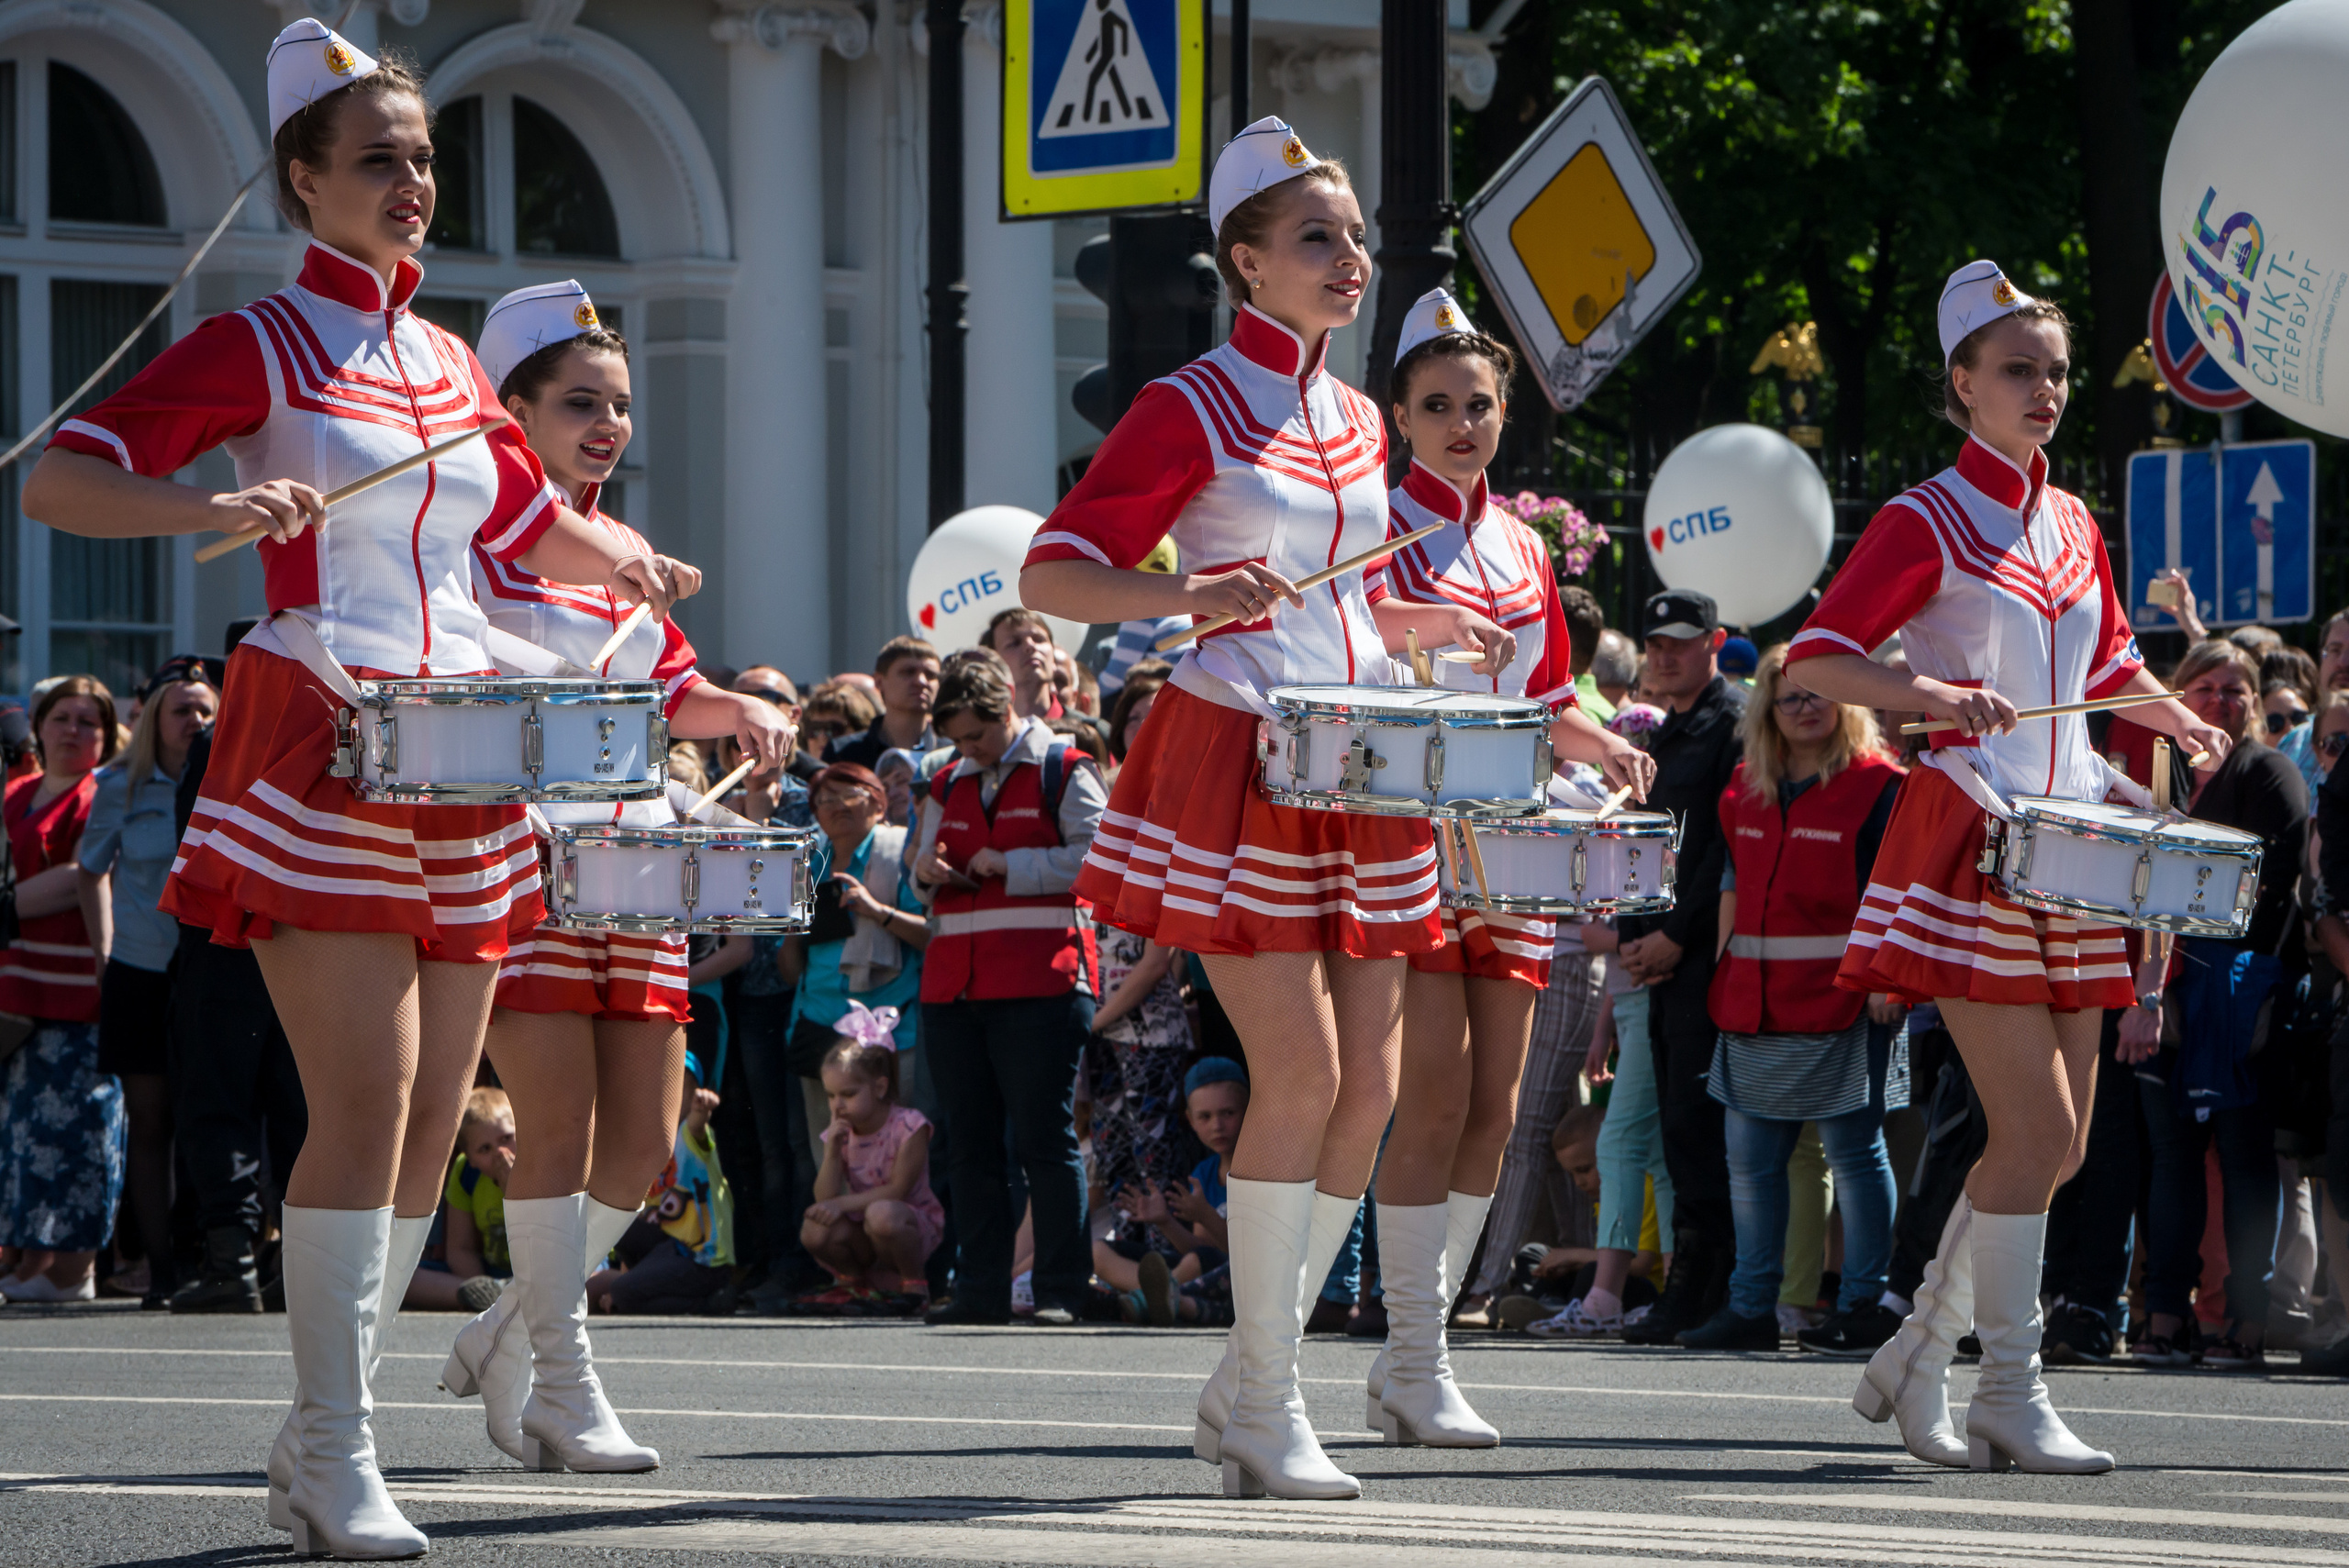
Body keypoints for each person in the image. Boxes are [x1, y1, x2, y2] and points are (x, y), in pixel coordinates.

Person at [17, 23, 690, 1554]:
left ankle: (337, 1432)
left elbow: (524, 509)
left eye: (424, 160)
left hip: (460, 743)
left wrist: (626, 550)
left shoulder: (454, 361)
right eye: (377, 158)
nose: (411, 184)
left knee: (431, 1115)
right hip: (320, 728)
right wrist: (211, 497)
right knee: (371, 1090)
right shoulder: (265, 343)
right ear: (303, 179)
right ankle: (330, 1444)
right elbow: (63, 478)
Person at [1020, 118, 1468, 1501]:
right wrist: (1181, 596)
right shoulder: (1191, 404)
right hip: (1240, 760)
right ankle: (1268, 1393)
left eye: (1354, 237)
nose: (1352, 260)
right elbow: (1055, 571)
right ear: (1245, 261)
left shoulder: (1356, 416)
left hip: (1362, 758)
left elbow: (1337, 598)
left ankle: (1249, 1380)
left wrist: (1425, 625)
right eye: (1318, 239)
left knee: (1372, 1090)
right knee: (1309, 1077)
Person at [1784, 261, 2226, 1474]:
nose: (2044, 390)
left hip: (2072, 840)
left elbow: (2113, 667)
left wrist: (2175, 717)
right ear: (1963, 382)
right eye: (2018, 369)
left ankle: (1919, 1353)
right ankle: (2009, 1390)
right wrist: (1925, 693)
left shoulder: (2075, 519)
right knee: (2030, 1127)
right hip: (1975, 833)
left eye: (2057, 370)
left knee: (2063, 1142)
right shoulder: (1924, 518)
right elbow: (1813, 663)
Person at [439, 281, 793, 1474]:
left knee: (643, 1145)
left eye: (621, 405)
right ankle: (564, 1382)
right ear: (513, 409)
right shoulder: (478, 536)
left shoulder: (625, 551)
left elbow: (669, 687)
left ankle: (509, 1326)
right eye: (580, 401)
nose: (608, 425)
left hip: (635, 854)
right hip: (523, 844)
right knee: (555, 1119)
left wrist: (735, 704)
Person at [1358, 287, 1652, 1444]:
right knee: (1428, 1096)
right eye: (1436, 405)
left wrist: (1608, 741)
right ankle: (1407, 1352)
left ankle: (1427, 1342)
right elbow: (1328, 639)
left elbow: (1541, 705)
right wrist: (1414, 626)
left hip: (1515, 842)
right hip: (1411, 839)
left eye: (1477, 404)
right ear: (1399, 415)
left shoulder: (1525, 546)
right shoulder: (1368, 522)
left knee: (1496, 1109)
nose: (1461, 424)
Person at [1673, 644, 1909, 1352]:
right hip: (1752, 1001)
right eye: (1788, 696)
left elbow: (1894, 892)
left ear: (1845, 702)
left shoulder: (1881, 784)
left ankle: (1864, 1304)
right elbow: (1731, 887)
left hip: (1848, 1001)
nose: (1804, 706)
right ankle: (1751, 1308)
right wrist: (1720, 974)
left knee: (1856, 1153)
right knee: (1748, 1161)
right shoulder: (1743, 785)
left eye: (1816, 693)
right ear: (1767, 710)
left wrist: (1888, 981)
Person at [2120, 639, 2303, 1370]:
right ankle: (2164, 1315)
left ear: (2256, 703)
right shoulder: (2162, 775)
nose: (2221, 701)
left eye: (2237, 691)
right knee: (2172, 1159)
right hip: (2161, 993)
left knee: (2244, 1156)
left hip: (2240, 998)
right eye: (2205, 688)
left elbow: (2264, 889)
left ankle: (2244, 1322)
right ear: (2178, 694)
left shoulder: (2269, 771)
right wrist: (2150, 988)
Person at [909, 659, 1105, 1328]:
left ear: (1006, 714)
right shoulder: (943, 780)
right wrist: (925, 871)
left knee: (1044, 1140)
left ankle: (1059, 1288)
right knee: (968, 1141)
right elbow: (918, 873)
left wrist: (1011, 864)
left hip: (1041, 978)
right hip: (953, 985)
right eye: (958, 740)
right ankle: (980, 1287)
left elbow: (1102, 858)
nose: (967, 751)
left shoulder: (1067, 767)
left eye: (976, 737)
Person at [1616, 588, 1749, 1348]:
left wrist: (1673, 936)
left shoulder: (1731, 725)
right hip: (1659, 958)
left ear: (1714, 642)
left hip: (1702, 956)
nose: (1663, 654)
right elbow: (1646, 843)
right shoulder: (1663, 730)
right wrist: (1636, 935)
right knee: (1677, 1128)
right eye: (1655, 643)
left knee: (1699, 1126)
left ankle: (1710, 1287)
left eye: (1679, 642)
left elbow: (1723, 852)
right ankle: (1691, 1284)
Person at [75, 658, 218, 1307]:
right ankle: (158, 1268)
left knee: (204, 1118)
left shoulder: (225, 781)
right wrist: (103, 950)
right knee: (150, 1122)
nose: (195, 720)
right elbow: (90, 869)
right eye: (181, 709)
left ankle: (201, 1259)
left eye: (205, 709)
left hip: (206, 970)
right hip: (138, 969)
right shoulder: (120, 787)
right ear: (155, 717)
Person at [0, 678, 125, 1304]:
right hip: (17, 999)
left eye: (90, 721)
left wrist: (5, 904)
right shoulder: (16, 792)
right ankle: (26, 1262)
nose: (74, 730)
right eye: (62, 717)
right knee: (20, 1137)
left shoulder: (100, 794)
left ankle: (71, 1270)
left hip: (80, 994)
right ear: (40, 725)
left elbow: (84, 873)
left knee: (78, 1135)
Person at [802, 1006, 943, 1308]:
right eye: (830, 1095)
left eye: (848, 1095)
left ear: (879, 1087)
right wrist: (831, 1153)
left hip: (905, 1225)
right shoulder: (840, 1132)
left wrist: (838, 1204)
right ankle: (852, 1283)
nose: (837, 1105)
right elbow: (823, 1198)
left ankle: (914, 1286)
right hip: (863, 1227)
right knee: (813, 1228)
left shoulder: (910, 1126)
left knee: (882, 1214)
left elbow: (897, 1191)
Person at [587, 1052, 732, 1314]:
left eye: (677, 1088)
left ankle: (710, 1301)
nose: (665, 1096)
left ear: (694, 1095)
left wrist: (702, 1110)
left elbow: (699, 1126)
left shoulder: (689, 1135)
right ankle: (633, 1289)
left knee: (622, 1292)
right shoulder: (644, 1145)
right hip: (667, 1249)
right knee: (617, 1224)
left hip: (701, 1259)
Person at [407, 1087, 515, 1312]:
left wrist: (514, 1190)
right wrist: (481, 1285)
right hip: (494, 1274)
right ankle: (490, 1295)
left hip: (547, 1271)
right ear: (470, 1158)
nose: (499, 1153)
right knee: (405, 1278)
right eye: (485, 1149)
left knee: (589, 1280)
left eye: (506, 1138)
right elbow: (460, 1249)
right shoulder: (467, 1172)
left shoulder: (540, 1165)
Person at [826, 638, 941, 769]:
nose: (921, 681)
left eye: (931, 675)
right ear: (879, 681)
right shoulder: (842, 753)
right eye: (908, 672)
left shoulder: (952, 752)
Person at [987, 607, 1064, 722]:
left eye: (1039, 639)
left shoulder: (1088, 730)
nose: (1030, 646)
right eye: (1014, 643)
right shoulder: (989, 738)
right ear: (994, 664)